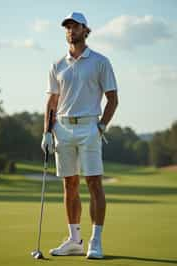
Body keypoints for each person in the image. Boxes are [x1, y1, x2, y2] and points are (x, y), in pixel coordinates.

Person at [41, 12, 118, 259]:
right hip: (62, 129)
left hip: (89, 128)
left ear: (86, 30)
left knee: (94, 182)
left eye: (75, 26)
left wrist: (102, 126)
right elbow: (52, 101)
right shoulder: (57, 65)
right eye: (67, 27)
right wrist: (46, 131)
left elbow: (112, 99)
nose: (70, 30)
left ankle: (95, 241)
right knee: (69, 183)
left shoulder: (100, 61)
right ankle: (74, 240)